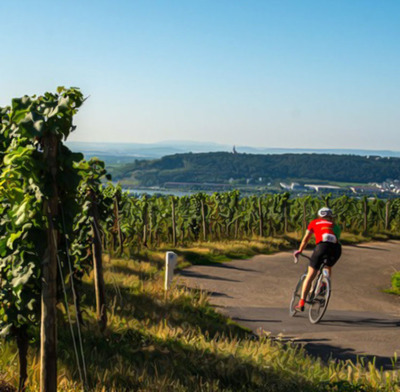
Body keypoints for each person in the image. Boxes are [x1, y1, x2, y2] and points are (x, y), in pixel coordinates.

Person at [293, 207, 342, 311]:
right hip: (336, 249)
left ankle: (301, 303)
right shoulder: (335, 226)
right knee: (327, 265)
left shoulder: (314, 223)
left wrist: (300, 251)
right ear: (331, 217)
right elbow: (336, 240)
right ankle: (324, 283)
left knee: (310, 275)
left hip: (321, 248)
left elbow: (306, 239)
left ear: (319, 216)